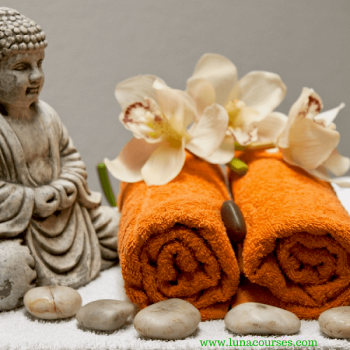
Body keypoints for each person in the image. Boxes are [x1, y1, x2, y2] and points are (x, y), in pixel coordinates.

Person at [0, 7, 119, 311]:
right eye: (22, 67)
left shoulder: (47, 115)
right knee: (10, 263)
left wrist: (67, 183)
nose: (36, 76)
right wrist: (34, 199)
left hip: (69, 217)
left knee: (119, 226)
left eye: (40, 64)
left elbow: (71, 157)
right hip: (18, 228)